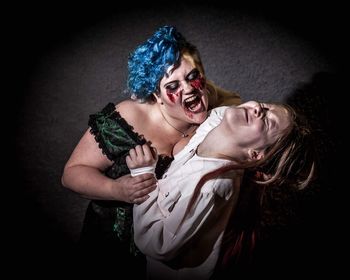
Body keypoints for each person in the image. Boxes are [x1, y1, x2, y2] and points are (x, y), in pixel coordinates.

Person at [61, 25, 241, 273]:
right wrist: (116, 189)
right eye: (173, 86)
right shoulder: (129, 116)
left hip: (167, 257)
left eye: (192, 77)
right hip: (108, 248)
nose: (188, 89)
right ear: (156, 95)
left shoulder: (216, 113)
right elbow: (72, 174)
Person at [128, 101, 315, 279]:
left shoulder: (211, 188)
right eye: (265, 106)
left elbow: (158, 243)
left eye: (267, 122)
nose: (258, 108)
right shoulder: (218, 122)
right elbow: (221, 110)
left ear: (255, 154)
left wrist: (143, 175)